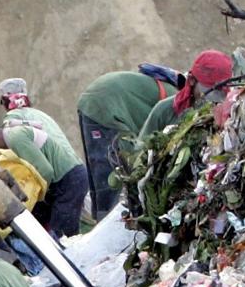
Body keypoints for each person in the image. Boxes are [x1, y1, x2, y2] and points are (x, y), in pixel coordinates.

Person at [75, 65, 181, 215]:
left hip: (93, 99)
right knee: (117, 173)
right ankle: (109, 224)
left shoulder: (160, 87)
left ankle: (99, 220)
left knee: (99, 173)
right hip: (106, 106)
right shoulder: (176, 100)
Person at [0, 112, 88, 239]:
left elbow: (45, 171)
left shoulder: (14, 137)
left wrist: (35, 197)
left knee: (61, 238)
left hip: (68, 180)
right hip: (61, 182)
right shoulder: (10, 139)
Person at [139, 50, 236, 144]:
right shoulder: (165, 110)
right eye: (210, 90)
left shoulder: (231, 115)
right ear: (192, 80)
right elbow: (141, 149)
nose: (214, 100)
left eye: (221, 93)